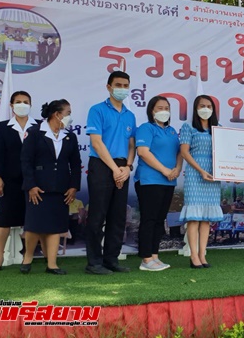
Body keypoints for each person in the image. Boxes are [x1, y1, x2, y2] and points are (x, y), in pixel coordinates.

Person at [20, 99, 81, 275]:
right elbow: (26, 162)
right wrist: (31, 185)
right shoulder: (34, 133)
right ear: (57, 114)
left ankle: (52, 264)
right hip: (37, 188)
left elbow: (75, 164)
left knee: (56, 225)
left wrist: (73, 186)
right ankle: (28, 257)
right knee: (34, 225)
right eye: (68, 113)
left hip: (60, 188)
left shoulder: (70, 136)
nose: (70, 117)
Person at [85, 71, 137, 275]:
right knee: (97, 216)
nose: (122, 89)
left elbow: (132, 145)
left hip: (122, 167)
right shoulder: (97, 110)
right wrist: (115, 169)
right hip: (101, 165)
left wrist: (127, 166)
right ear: (108, 87)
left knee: (118, 216)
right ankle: (94, 262)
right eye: (118, 85)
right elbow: (96, 143)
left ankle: (111, 259)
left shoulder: (130, 115)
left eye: (125, 85)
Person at [0, 91, 38, 271]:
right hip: (9, 180)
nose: (22, 105)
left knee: (33, 219)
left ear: (30, 105)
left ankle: (28, 256)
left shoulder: (39, 126)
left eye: (26, 102)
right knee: (4, 216)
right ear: (11, 105)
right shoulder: (4, 127)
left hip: (34, 181)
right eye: (18, 102)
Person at [134, 96, 182, 271]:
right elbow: (143, 152)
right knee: (149, 219)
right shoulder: (146, 128)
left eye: (166, 108)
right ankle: (146, 259)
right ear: (151, 111)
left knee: (160, 220)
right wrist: (164, 170)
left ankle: (154, 255)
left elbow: (179, 152)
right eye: (159, 107)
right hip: (149, 180)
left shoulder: (171, 131)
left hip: (168, 181)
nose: (164, 111)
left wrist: (177, 168)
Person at [179, 95, 223, 268]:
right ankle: (193, 256)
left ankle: (203, 255)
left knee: (206, 218)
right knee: (194, 217)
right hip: (195, 174)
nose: (205, 108)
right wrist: (201, 171)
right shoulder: (188, 127)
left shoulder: (218, 129)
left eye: (209, 106)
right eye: (202, 105)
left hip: (213, 174)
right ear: (196, 108)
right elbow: (184, 152)